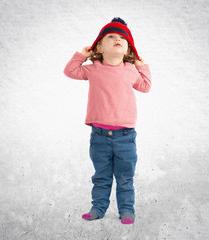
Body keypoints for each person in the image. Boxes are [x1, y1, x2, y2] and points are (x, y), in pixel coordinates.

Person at [63, 17, 152, 224]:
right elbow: (70, 71)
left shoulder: (130, 70)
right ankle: (98, 208)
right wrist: (81, 55)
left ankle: (127, 210)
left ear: (128, 48)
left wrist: (142, 66)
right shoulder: (93, 68)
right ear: (100, 47)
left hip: (125, 137)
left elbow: (146, 87)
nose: (117, 39)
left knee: (125, 178)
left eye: (122, 37)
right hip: (99, 136)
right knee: (101, 177)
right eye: (110, 36)